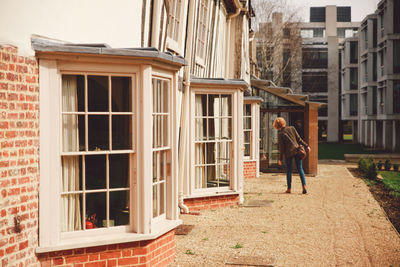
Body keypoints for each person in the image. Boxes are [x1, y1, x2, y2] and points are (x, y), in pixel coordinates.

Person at [273, 117, 311, 194]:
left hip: (288, 154)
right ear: (284, 122)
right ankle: (304, 186)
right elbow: (299, 139)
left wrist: (280, 159)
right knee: (300, 169)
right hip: (297, 151)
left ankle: (289, 189)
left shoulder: (280, 134)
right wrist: (306, 146)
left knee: (289, 171)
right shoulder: (292, 128)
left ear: (276, 125)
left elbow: (282, 148)